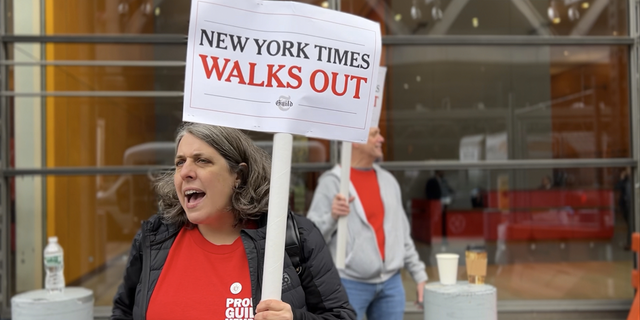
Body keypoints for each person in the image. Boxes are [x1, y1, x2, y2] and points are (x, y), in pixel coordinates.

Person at [111, 122, 356, 320]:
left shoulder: (294, 236)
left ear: (238, 175)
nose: (185, 172)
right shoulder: (154, 237)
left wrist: (294, 319)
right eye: (180, 162)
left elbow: (340, 315)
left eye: (202, 160)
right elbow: (123, 311)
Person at [306, 127, 428, 320]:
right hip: (348, 283)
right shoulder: (332, 183)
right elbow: (310, 237)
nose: (381, 139)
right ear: (356, 140)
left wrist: (420, 276)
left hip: (391, 284)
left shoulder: (389, 181)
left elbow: (402, 235)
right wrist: (332, 216)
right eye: (374, 135)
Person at [425, 170, 454, 241]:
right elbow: (428, 192)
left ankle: (444, 233)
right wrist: (432, 201)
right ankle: (436, 234)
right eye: (442, 171)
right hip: (435, 203)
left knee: (444, 218)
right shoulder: (431, 181)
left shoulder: (444, 181)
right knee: (436, 219)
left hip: (445, 202)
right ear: (438, 172)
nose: (443, 173)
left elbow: (447, 189)